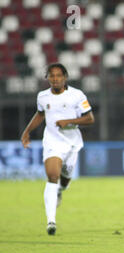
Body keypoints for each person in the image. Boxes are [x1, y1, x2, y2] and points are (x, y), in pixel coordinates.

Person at [20, 63, 95, 235]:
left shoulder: (77, 95)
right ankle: (51, 221)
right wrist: (27, 132)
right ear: (47, 78)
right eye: (51, 76)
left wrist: (69, 121)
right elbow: (40, 114)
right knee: (52, 176)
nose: (55, 79)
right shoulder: (42, 97)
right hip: (52, 142)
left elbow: (90, 119)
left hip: (72, 143)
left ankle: (60, 190)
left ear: (65, 77)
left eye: (58, 76)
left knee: (66, 177)